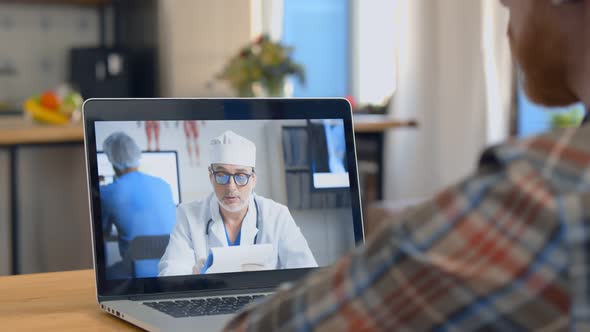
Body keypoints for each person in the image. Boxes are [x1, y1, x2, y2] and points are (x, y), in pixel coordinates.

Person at [223, 0, 590, 330]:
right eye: (222, 174)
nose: (504, 7)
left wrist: (400, 251)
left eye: (239, 175)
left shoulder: (548, 188)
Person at [158, 131, 317, 276]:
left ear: (253, 179)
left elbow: (306, 272)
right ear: (210, 176)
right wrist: (192, 280)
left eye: (241, 176)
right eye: (222, 175)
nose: (231, 187)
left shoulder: (277, 216)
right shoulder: (187, 215)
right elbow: (171, 271)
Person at [100, 132, 176, 261]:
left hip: (135, 271)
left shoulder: (107, 192)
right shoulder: (163, 184)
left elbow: (102, 233)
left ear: (112, 160)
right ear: (136, 157)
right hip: (169, 266)